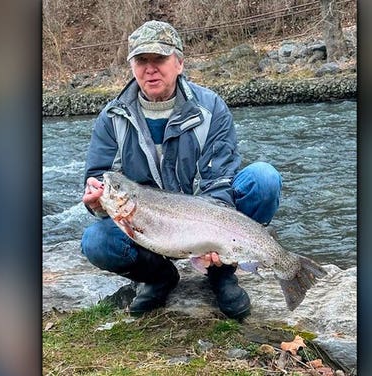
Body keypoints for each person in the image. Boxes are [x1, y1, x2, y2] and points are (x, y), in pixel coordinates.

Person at [80, 20, 282, 320]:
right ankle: (159, 277)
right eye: (141, 60)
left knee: (264, 179)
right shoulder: (112, 117)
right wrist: (96, 203)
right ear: (132, 66)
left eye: (159, 59)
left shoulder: (211, 108)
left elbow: (220, 182)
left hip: (205, 219)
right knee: (95, 241)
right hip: (147, 223)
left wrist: (214, 245)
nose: (150, 69)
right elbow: (99, 178)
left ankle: (222, 273)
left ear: (179, 63)